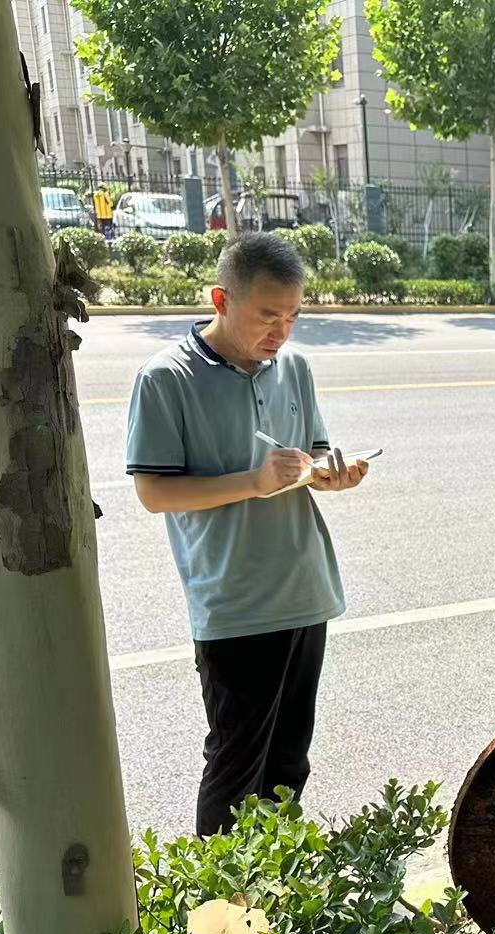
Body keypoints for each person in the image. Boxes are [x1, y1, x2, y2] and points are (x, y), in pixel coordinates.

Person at [125, 232, 368, 838]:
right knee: (236, 769)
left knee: (288, 764)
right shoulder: (166, 379)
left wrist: (330, 475)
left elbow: (311, 455)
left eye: (293, 316)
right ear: (221, 299)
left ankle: (274, 887)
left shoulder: (295, 368)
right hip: (234, 602)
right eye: (267, 316)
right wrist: (254, 482)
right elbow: (154, 492)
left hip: (304, 587)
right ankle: (219, 900)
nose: (281, 332)